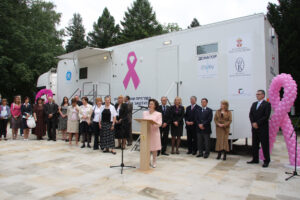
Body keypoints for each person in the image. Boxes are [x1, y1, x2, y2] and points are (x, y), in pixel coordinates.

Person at [248, 90, 271, 168]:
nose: (257, 95)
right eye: (256, 94)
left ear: (263, 95)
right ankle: (255, 159)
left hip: (262, 128)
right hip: (254, 128)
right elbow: (250, 114)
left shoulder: (267, 104)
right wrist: (253, 122)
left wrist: (257, 123)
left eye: (258, 94)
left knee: (264, 145)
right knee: (255, 144)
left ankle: (266, 160)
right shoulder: (254, 104)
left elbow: (266, 116)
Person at [143, 99, 162, 168]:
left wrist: (154, 124)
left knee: (154, 148)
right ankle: (147, 161)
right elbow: (143, 121)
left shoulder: (158, 114)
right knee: (147, 147)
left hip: (154, 132)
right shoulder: (145, 113)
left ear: (155, 106)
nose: (150, 105)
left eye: (151, 104)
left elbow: (160, 123)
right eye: (149, 104)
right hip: (147, 132)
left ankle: (154, 161)